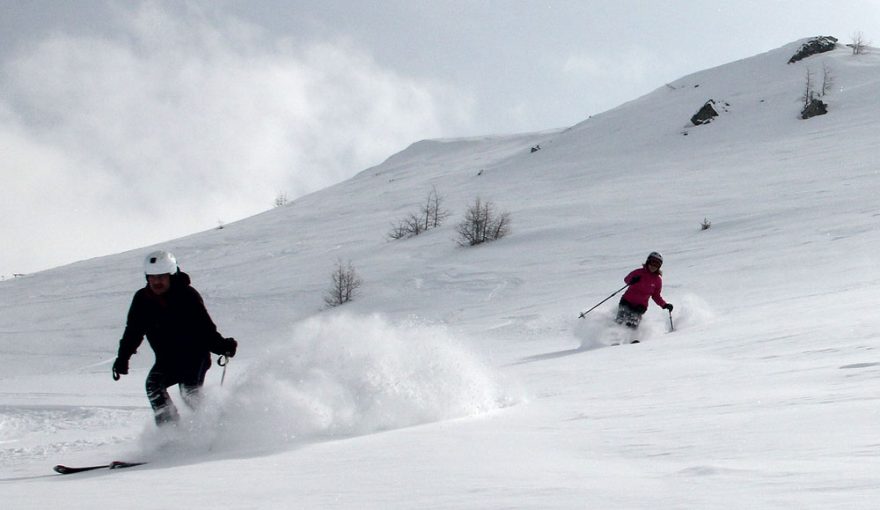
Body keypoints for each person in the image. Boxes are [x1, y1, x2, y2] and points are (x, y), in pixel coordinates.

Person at [112, 250, 237, 425]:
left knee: (189, 393)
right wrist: (122, 358)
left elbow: (205, 328)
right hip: (167, 359)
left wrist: (221, 346)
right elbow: (133, 331)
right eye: (152, 277)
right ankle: (170, 432)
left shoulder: (187, 296)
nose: (156, 282)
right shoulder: (142, 299)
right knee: (153, 385)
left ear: (171, 275)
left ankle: (218, 425)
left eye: (161, 277)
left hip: (194, 356)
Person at [616, 251, 673, 331]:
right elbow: (626, 279)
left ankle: (630, 338)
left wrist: (664, 305)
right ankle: (615, 338)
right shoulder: (638, 272)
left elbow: (656, 296)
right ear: (648, 262)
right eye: (652, 263)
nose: (653, 266)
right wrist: (632, 280)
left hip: (641, 306)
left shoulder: (657, 280)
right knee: (620, 320)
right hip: (627, 301)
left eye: (657, 264)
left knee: (632, 322)